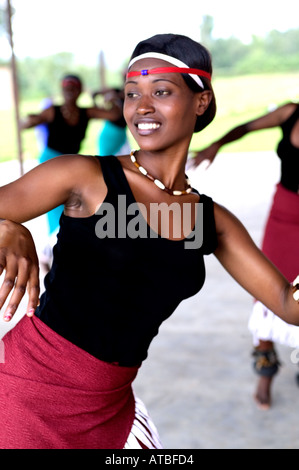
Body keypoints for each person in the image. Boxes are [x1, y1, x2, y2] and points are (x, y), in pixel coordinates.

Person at [0, 33, 299, 449]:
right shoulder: (83, 176)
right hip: (29, 394)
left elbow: (287, 303)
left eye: (161, 91)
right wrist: (6, 228)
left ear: (201, 101)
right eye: (131, 93)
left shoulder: (209, 219)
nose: (141, 107)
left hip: (109, 408)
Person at [187, 101, 299, 409]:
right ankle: (266, 372)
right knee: (268, 291)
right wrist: (216, 145)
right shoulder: (290, 113)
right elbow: (246, 127)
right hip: (284, 214)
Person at [21, 74, 121, 269]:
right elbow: (28, 123)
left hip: (70, 166)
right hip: (50, 163)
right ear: (62, 90)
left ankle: (50, 251)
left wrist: (113, 97)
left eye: (74, 88)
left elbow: (115, 115)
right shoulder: (53, 111)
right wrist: (30, 120)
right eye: (66, 88)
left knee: (72, 208)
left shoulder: (87, 112)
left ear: (79, 91)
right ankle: (50, 252)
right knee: (55, 208)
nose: (70, 91)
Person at [92, 85, 130, 156]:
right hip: (110, 133)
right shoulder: (115, 92)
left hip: (121, 134)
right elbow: (94, 94)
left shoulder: (131, 94)